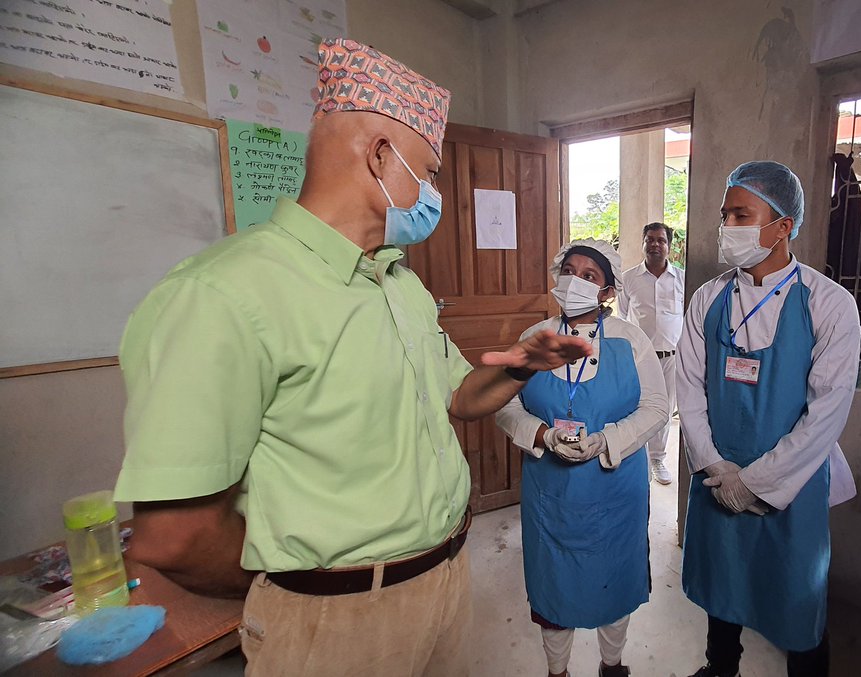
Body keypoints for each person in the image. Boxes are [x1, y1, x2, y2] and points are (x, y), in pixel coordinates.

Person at [111, 38, 592, 676]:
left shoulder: (398, 283)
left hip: (444, 587)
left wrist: (519, 366)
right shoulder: (223, 296)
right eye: (432, 170)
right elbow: (175, 537)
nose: (438, 193)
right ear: (381, 156)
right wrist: (299, 594)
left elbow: (457, 398)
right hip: (330, 625)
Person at [677, 161, 860, 677]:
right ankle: (721, 668)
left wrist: (757, 482)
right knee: (724, 582)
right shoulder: (708, 299)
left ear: (783, 224)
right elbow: (688, 388)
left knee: (798, 593)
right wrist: (715, 466)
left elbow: (827, 410)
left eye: (742, 214)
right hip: (719, 475)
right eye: (725, 215)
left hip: (791, 484)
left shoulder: (829, 303)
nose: (728, 226)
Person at [496, 238, 667, 677]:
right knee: (554, 588)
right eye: (569, 271)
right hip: (551, 497)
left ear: (608, 292)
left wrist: (606, 440)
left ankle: (613, 666)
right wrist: (542, 434)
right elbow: (504, 404)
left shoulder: (632, 342)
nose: (574, 281)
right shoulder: (533, 340)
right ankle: (559, 671)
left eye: (589, 276)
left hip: (615, 497)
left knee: (615, 582)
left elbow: (655, 408)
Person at [619, 222, 686, 484]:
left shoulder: (681, 279)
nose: (655, 244)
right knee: (636, 406)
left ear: (669, 246)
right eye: (650, 239)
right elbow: (622, 318)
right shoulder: (629, 279)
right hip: (639, 358)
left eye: (660, 240)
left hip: (671, 357)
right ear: (643, 243)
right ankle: (637, 459)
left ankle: (657, 458)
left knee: (665, 410)